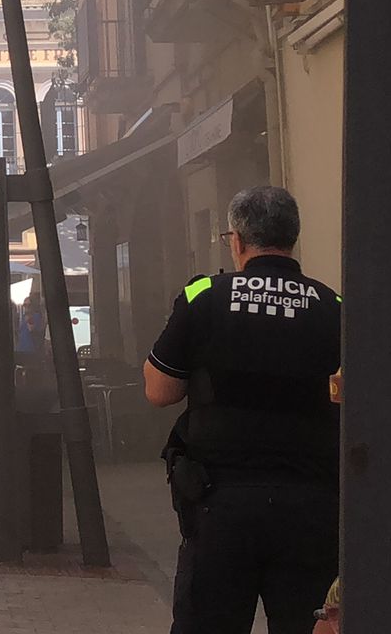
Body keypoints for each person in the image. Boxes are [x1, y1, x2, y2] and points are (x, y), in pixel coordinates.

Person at [146, 185, 340, 634]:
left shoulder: (203, 298)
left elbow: (159, 390)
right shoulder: (331, 306)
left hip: (220, 504)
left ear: (236, 241)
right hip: (310, 505)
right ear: (294, 237)